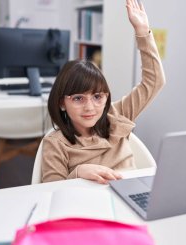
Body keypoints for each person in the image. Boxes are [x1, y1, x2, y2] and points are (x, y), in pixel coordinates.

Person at [42, 0, 165, 184]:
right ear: (61, 103)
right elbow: (51, 193)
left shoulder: (117, 115)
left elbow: (154, 81)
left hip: (130, 198)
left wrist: (143, 33)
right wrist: (78, 172)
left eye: (98, 96)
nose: (90, 107)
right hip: (91, 207)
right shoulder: (56, 143)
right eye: (78, 98)